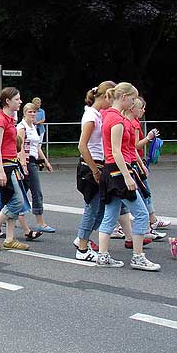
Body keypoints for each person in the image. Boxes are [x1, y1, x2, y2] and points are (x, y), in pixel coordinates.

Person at [96, 82, 160, 271]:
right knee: (140, 214)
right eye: (132, 99)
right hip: (118, 172)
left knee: (110, 214)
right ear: (123, 97)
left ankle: (103, 255)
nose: (134, 103)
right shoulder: (116, 120)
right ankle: (138, 257)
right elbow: (117, 151)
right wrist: (127, 176)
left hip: (112, 172)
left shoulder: (109, 115)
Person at [0, 87, 31, 251]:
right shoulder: (0, 121)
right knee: (18, 200)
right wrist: (1, 170)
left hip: (12, 164)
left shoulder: (10, 119)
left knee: (12, 200)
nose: (20, 101)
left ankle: (10, 239)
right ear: (8, 101)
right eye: (17, 99)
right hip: (4, 165)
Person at [74, 82, 116, 261]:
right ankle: (82, 248)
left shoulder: (97, 114)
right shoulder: (91, 116)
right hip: (92, 167)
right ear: (105, 96)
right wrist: (95, 170)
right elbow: (82, 146)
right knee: (92, 208)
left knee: (99, 209)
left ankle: (82, 238)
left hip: (99, 164)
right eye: (112, 99)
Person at [130, 97, 170, 233]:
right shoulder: (134, 124)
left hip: (137, 160)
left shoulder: (135, 122)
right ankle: (149, 222)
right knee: (143, 192)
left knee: (144, 191)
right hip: (134, 161)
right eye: (141, 107)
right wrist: (148, 138)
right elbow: (134, 145)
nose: (143, 110)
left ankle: (151, 220)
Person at [17, 102, 56, 233]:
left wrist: (46, 162)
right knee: (36, 192)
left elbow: (37, 146)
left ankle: (8, 216)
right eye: (30, 112)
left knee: (20, 192)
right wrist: (23, 165)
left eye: (34, 112)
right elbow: (20, 147)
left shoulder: (33, 127)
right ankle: (40, 222)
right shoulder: (22, 127)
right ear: (24, 113)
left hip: (33, 161)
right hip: (27, 162)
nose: (33, 114)